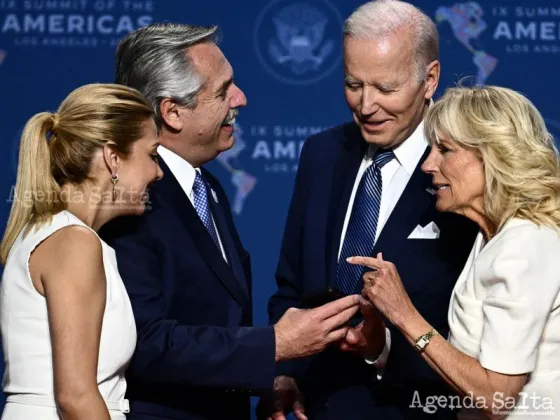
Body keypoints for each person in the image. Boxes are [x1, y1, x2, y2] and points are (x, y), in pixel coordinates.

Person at [98, 22, 363, 420]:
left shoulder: (209, 187)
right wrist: (273, 344)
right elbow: (143, 342)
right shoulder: (132, 199)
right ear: (172, 112)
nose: (240, 98)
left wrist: (268, 376)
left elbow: (219, 321)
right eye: (223, 90)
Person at [262, 1, 479, 419]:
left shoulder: (467, 164)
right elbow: (290, 288)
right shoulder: (321, 153)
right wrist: (286, 373)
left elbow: (485, 329)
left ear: (429, 79)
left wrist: (383, 349)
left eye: (385, 88)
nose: (365, 105)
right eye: (353, 84)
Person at [354, 85, 560, 419]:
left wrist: (404, 314)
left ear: (493, 155)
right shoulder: (495, 235)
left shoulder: (526, 244)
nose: (428, 164)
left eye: (444, 149)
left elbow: (497, 398)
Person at [0, 83, 162, 419]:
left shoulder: (57, 233)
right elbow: (75, 396)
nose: (157, 173)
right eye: (152, 155)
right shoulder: (74, 242)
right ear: (113, 157)